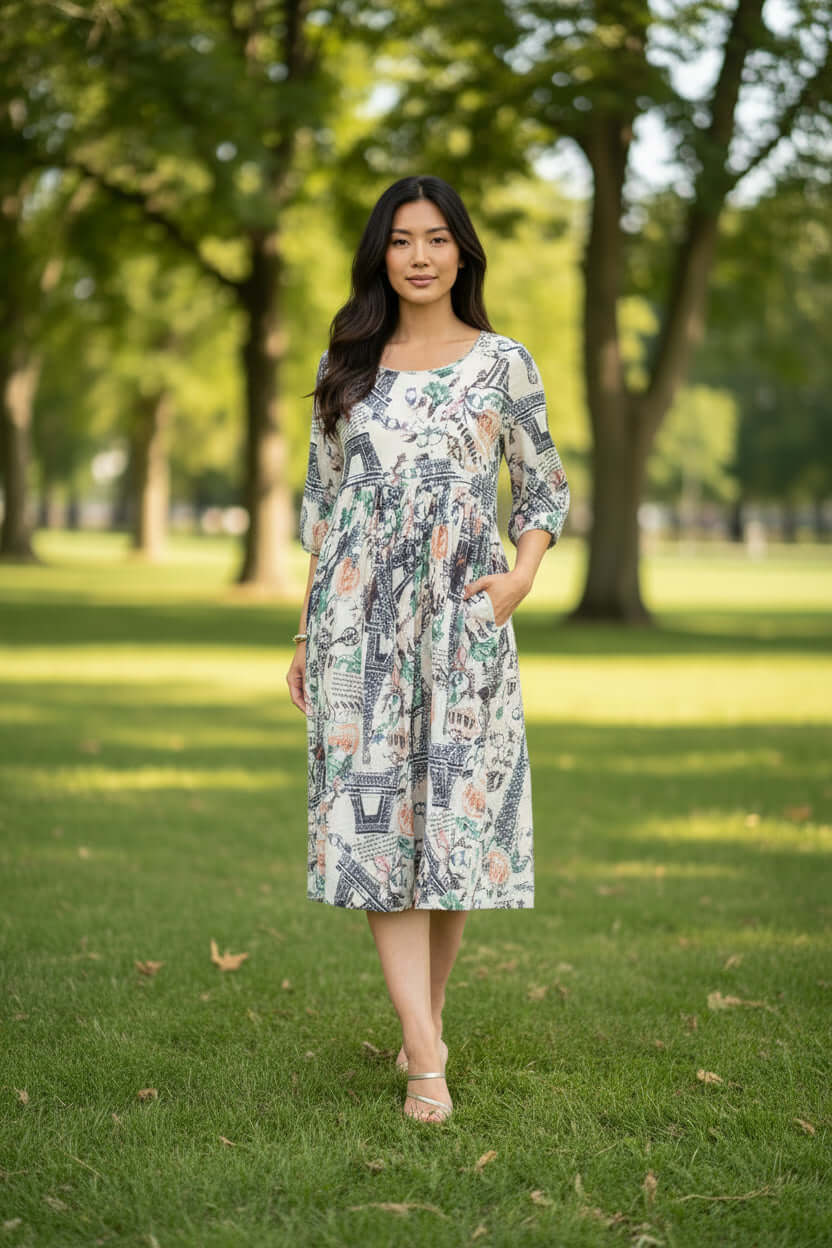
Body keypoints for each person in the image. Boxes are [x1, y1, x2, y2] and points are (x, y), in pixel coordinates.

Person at [286, 175, 570, 1124]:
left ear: (462, 253)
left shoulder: (503, 363)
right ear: (381, 254)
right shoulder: (346, 364)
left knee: (447, 826)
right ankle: (423, 1058)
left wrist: (520, 581)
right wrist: (303, 630)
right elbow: (323, 507)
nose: (418, 255)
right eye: (402, 239)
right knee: (378, 831)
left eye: (437, 239)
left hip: (460, 619)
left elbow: (542, 489)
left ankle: (424, 1028)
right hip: (355, 624)